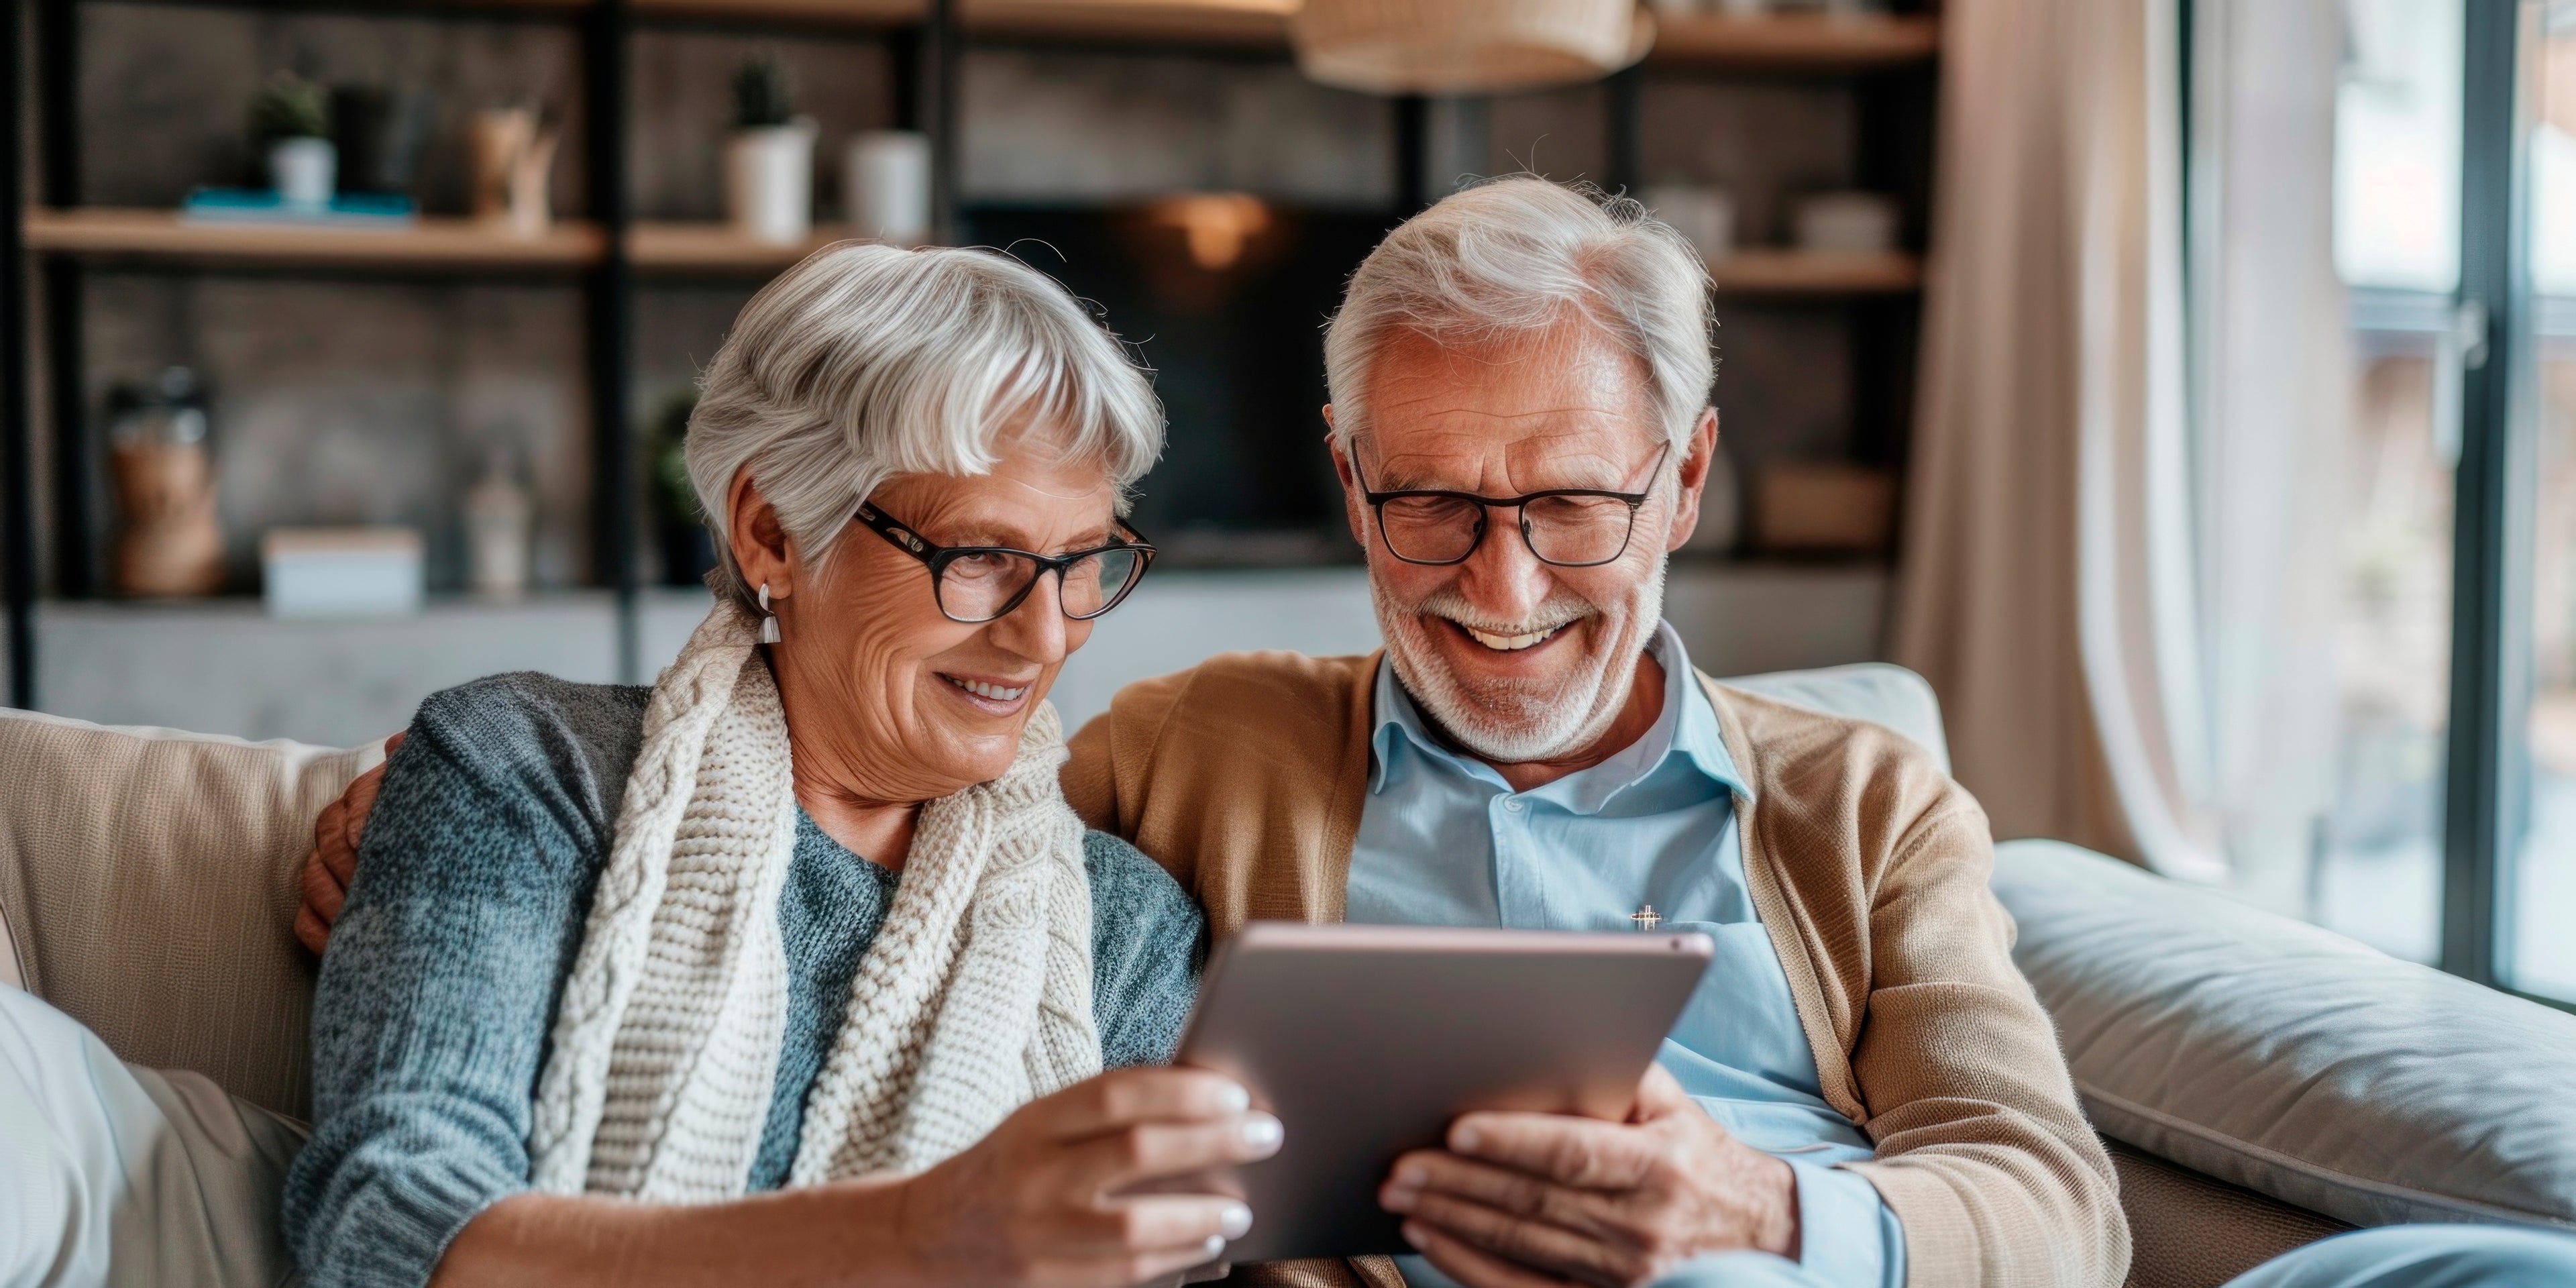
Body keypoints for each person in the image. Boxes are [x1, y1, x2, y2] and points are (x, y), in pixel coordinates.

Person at [303, 180, 2576, 1288]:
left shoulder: (1862, 796)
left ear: (1683, 480)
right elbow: (819, 788)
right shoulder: (1172, 771)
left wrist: (1760, 1210)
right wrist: (368, 817)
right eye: (1426, 508)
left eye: (1572, 503)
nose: (1498, 589)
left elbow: (2052, 1203)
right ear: (1345, 476)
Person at [282, 241, 1281, 1288]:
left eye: (1081, 565)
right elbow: (383, 1225)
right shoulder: (532, 774)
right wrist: (916, 1240)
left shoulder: (1119, 930)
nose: (1046, 639)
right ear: (772, 534)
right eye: (980, 557)